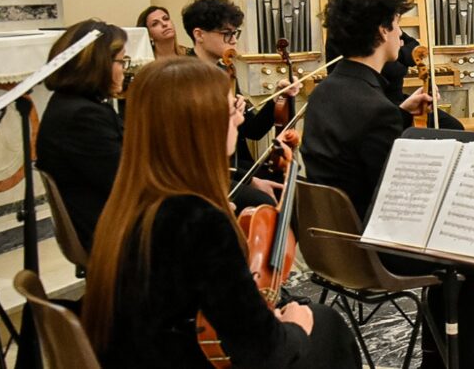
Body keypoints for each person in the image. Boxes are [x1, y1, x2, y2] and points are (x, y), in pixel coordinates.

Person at [80, 57, 359, 368]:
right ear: (200, 126)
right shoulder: (196, 220)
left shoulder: (127, 201)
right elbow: (266, 352)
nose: (239, 121)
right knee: (326, 326)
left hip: (145, 355)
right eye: (230, 112)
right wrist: (295, 325)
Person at [300, 0, 474, 368]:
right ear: (382, 30)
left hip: (329, 247)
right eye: (398, 26)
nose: (402, 36)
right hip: (373, 251)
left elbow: (356, 147)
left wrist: (398, 115)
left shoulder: (326, 92)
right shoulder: (373, 109)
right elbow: (403, 200)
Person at [181, 0, 297, 209]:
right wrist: (251, 181)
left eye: (235, 33)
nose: (233, 40)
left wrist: (280, 96)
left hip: (237, 166)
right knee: (264, 200)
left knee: (291, 187)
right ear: (199, 35)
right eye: (226, 34)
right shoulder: (186, 78)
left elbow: (253, 130)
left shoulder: (225, 71)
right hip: (208, 172)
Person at [326, 0, 465, 130]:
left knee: (453, 127)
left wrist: (405, 109)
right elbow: (376, 131)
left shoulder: (326, 93)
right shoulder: (357, 33)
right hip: (375, 105)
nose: (399, 32)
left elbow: (412, 46)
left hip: (392, 103)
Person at [36, 20, 129, 252]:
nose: (124, 70)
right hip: (111, 234)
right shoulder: (82, 117)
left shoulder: (75, 105)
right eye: (121, 62)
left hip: (110, 219)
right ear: (98, 64)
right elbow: (126, 182)